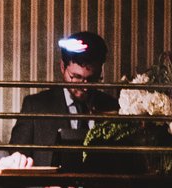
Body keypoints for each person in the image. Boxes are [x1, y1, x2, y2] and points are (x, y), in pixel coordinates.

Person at [8, 30, 118, 167]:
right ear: (62, 67)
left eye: (92, 79)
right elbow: (16, 162)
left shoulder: (113, 107)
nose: (85, 87)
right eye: (76, 77)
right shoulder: (35, 106)